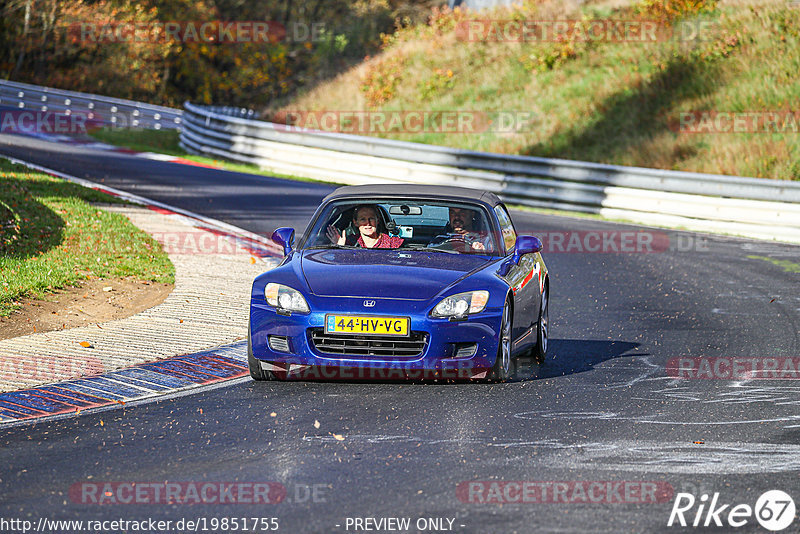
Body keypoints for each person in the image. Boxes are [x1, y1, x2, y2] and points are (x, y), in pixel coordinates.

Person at [326, 205, 404, 249]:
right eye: (363, 219)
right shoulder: (349, 242)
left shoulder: (393, 243)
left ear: (378, 220)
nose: (368, 223)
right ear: (356, 222)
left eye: (371, 218)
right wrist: (340, 247)